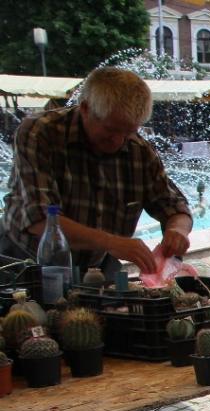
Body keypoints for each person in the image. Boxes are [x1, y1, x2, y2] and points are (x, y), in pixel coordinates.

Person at [1, 67, 191, 275]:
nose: (118, 142)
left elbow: (175, 207)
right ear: (85, 108)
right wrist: (112, 242)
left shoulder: (139, 150)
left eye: (128, 133)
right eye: (110, 131)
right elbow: (40, 219)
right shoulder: (41, 132)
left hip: (95, 265)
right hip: (25, 260)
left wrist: (177, 230)